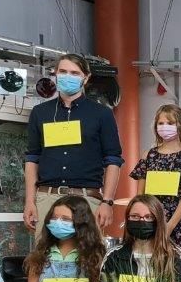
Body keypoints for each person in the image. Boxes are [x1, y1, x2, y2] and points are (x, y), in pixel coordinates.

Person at [23, 53, 124, 229]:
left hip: (87, 198)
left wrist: (107, 201)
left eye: (74, 73)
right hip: (47, 198)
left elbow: (113, 160)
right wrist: (30, 201)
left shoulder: (102, 114)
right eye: (63, 71)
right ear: (55, 74)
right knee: (45, 247)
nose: (67, 76)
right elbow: (32, 159)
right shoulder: (40, 112)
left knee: (88, 247)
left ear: (86, 78)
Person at [129, 104, 181, 264]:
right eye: (161, 123)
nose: (165, 127)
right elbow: (140, 195)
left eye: (170, 123)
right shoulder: (148, 155)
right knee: (148, 263)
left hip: (179, 220)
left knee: (179, 264)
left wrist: (169, 226)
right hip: (150, 218)